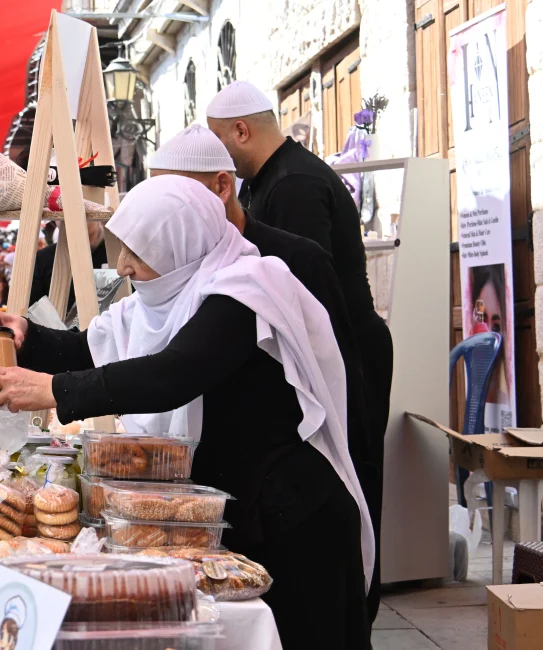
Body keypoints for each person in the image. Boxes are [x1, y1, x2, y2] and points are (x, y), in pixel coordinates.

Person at [0, 176, 373, 650]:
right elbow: (95, 347)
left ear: (180, 245)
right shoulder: (165, 299)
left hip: (293, 522)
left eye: (138, 252)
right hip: (238, 514)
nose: (124, 266)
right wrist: (27, 337)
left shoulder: (248, 288)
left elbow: (173, 374)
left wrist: (54, 390)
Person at [150, 124, 381, 635]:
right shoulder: (179, 267)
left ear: (220, 188)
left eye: (173, 199)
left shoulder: (285, 263)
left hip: (295, 507)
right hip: (234, 507)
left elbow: (342, 386)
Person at [207, 82, 393, 622]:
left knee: (347, 478)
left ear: (242, 131)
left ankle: (352, 608)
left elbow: (294, 292)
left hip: (346, 352)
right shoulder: (276, 178)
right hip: (338, 347)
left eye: (221, 142)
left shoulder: (292, 185)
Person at [28, 221, 107, 311]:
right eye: (61, 209)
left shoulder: (117, 253)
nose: (68, 215)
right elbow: (31, 312)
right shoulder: (42, 259)